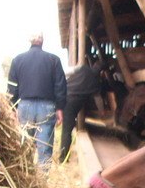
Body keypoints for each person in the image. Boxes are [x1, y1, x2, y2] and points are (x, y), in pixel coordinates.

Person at [7, 32, 67, 170]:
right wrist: (60, 108)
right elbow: (60, 86)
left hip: (24, 106)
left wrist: (12, 108)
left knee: (25, 144)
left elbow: (12, 87)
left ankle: (26, 177)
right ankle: (41, 185)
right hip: (47, 107)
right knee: (44, 147)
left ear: (30, 41)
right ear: (42, 41)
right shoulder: (54, 60)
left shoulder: (18, 60)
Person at [60, 60, 103, 162]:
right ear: (101, 73)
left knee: (51, 125)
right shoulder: (96, 83)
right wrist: (102, 112)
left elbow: (66, 72)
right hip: (72, 104)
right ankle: (63, 158)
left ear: (93, 65)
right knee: (66, 131)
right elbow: (98, 99)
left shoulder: (83, 68)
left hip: (62, 96)